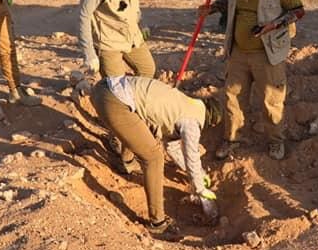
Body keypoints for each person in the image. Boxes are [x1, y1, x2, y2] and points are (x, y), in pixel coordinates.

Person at [199, 0, 305, 161]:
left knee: (270, 99)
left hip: (268, 52)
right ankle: (232, 139)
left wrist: (273, 25)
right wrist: (211, 9)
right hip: (238, 51)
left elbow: (298, 11)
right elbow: (229, 1)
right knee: (232, 97)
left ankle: (275, 141)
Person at [89, 75, 223, 234]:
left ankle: (126, 163)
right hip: (113, 102)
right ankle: (158, 223)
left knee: (141, 125)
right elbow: (191, 155)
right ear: (211, 121)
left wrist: (198, 174)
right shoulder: (193, 122)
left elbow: (172, 147)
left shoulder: (184, 103)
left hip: (104, 88)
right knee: (153, 157)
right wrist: (200, 189)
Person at [78, 0, 154, 173]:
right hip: (108, 41)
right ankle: (121, 145)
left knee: (148, 70)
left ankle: (137, 122)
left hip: (130, 35)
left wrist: (140, 25)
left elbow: (134, 2)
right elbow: (83, 15)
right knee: (117, 96)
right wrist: (89, 52)